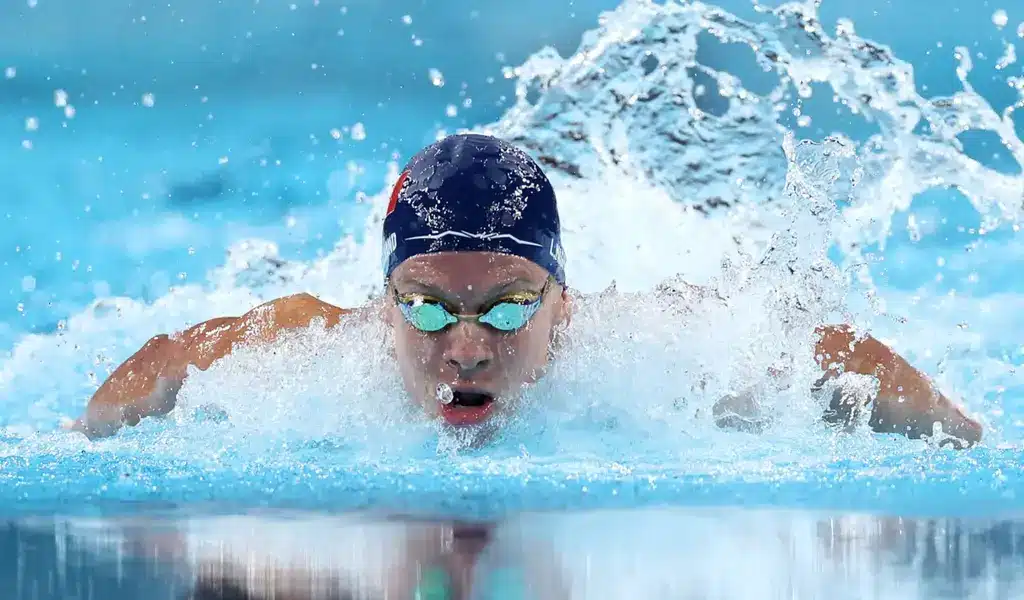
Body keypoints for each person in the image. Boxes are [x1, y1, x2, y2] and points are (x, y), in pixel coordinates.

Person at [65, 133, 983, 448]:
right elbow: (171, 359)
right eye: (426, 306)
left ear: (564, 304)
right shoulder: (305, 355)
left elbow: (823, 351)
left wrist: (963, 435)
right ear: (384, 305)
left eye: (507, 306)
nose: (464, 346)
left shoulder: (657, 364)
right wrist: (79, 441)